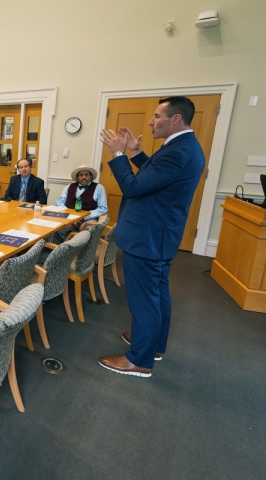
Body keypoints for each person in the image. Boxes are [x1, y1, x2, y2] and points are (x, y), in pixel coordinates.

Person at [98, 96, 205, 378]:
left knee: (144, 300)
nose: (151, 121)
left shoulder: (176, 151)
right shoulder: (185, 147)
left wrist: (119, 155)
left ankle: (139, 360)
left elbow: (133, 187)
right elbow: (156, 177)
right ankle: (153, 344)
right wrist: (135, 153)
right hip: (159, 234)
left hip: (148, 237)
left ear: (176, 119)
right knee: (156, 295)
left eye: (157, 116)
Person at [52, 164, 108, 243]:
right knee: (58, 228)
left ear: (91, 177)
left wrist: (84, 217)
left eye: (86, 175)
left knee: (90, 230)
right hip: (70, 218)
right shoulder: (69, 187)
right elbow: (59, 202)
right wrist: (70, 216)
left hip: (89, 218)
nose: (84, 177)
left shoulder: (99, 188)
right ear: (77, 177)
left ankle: (83, 254)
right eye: (81, 175)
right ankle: (62, 251)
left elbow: (103, 208)